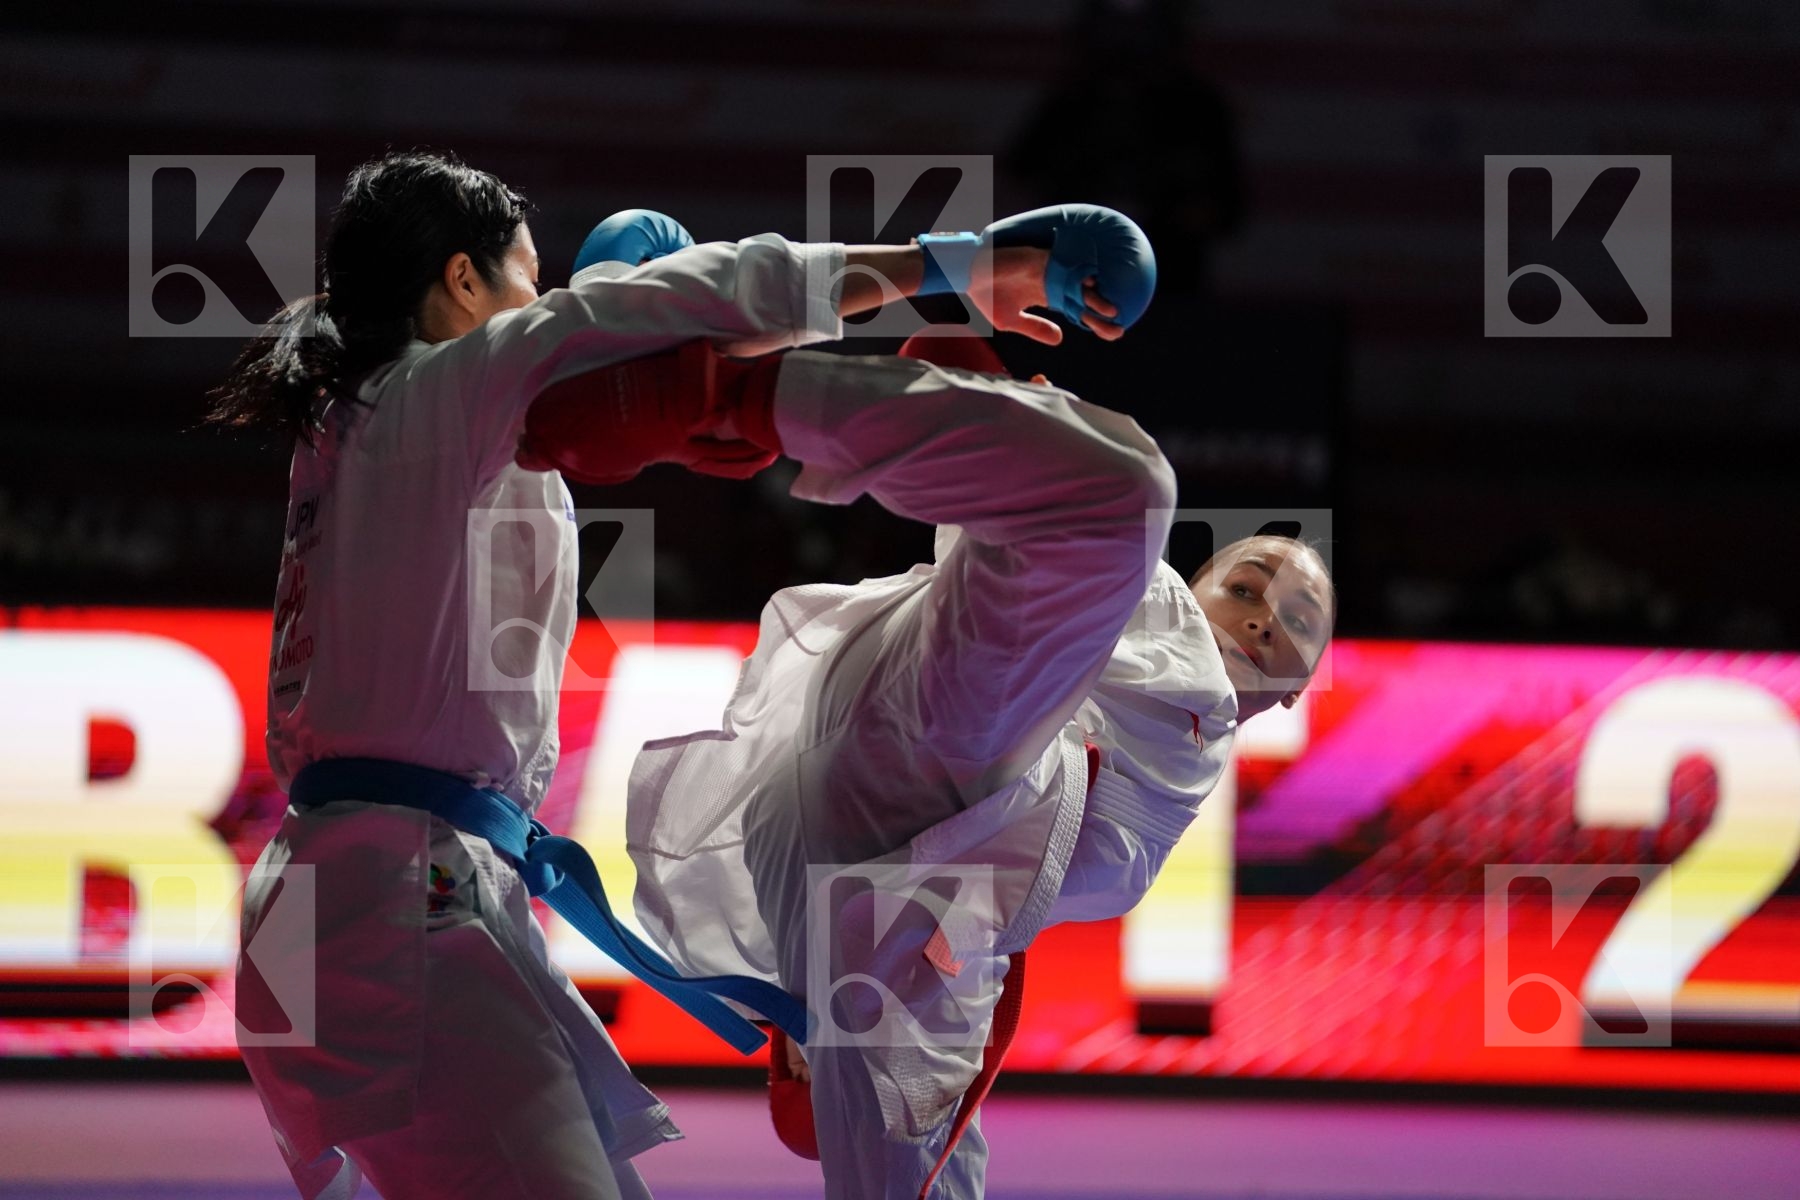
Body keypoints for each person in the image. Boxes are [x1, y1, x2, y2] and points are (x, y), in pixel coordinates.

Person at [210, 148, 1138, 1200]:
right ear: (461, 280)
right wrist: (958, 265)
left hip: (340, 905)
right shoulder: (439, 391)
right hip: (397, 915)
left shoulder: (352, 424)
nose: (543, 303)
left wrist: (648, 336)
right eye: (529, 279)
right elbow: (699, 297)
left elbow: (615, 363)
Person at [540, 303, 1333, 1194]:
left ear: (1301, 687)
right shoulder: (1151, 611)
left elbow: (1001, 894)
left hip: (871, 849)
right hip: (914, 741)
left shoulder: (1181, 753)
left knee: (929, 1170)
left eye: (1297, 620)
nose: (1264, 615)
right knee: (1130, 491)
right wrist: (1008, 411)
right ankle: (721, 396)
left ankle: (819, 1034)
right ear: (1194, 586)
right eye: (1246, 588)